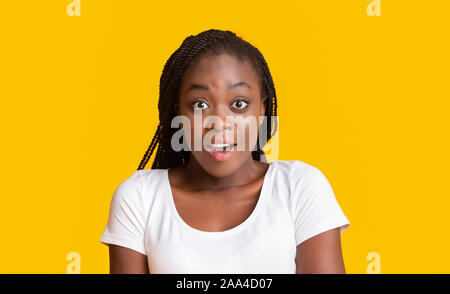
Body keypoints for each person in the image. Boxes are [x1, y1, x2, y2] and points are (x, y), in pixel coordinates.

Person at [100, 29, 350, 274]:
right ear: (179, 113)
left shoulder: (299, 188)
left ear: (261, 111)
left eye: (238, 104)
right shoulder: (140, 198)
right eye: (200, 104)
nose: (219, 122)